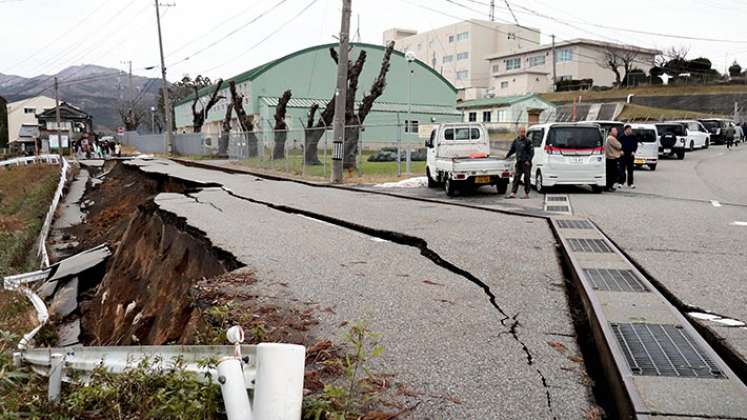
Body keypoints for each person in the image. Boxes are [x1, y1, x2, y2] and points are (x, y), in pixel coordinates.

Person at [505, 127, 534, 199]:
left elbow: (531, 152)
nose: (522, 133)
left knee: (526, 178)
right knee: (516, 178)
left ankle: (527, 194)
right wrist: (506, 156)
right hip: (519, 162)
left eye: (524, 132)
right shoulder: (516, 141)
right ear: (519, 132)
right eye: (521, 132)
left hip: (526, 163)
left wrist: (528, 160)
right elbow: (512, 150)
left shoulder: (528, 141)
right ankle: (513, 193)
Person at [604, 127, 622, 191]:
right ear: (610, 132)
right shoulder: (611, 138)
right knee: (612, 174)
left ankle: (609, 186)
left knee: (610, 173)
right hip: (611, 158)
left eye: (616, 130)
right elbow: (619, 146)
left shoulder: (609, 138)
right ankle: (608, 186)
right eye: (614, 130)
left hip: (610, 158)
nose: (616, 132)